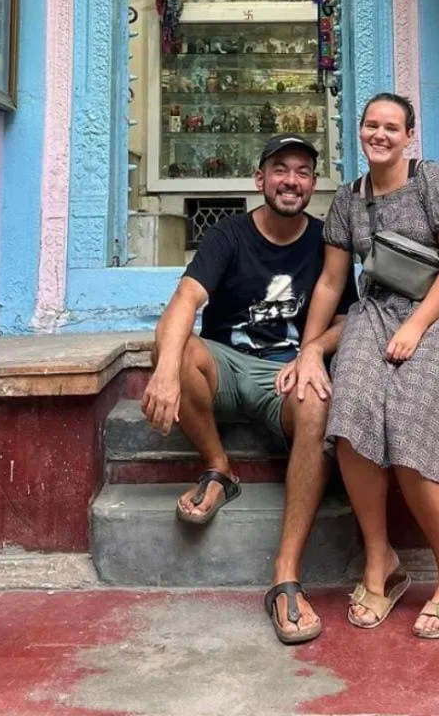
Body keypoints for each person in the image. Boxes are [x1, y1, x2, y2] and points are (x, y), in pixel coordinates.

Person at [281, 93, 439, 639]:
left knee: (410, 411)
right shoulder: (349, 200)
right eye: (371, 125)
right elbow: (331, 282)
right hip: (375, 312)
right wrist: (310, 348)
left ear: (409, 136)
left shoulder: (431, 180)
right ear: (360, 131)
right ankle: (382, 561)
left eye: (391, 127)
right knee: (349, 414)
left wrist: (417, 325)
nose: (380, 134)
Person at [141, 133, 357, 645]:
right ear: (259, 179)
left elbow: (349, 318)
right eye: (280, 169)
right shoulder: (229, 236)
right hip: (227, 365)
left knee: (316, 404)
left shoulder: (328, 241)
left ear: (313, 184)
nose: (291, 180)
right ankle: (219, 467)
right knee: (173, 348)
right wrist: (166, 371)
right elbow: (184, 302)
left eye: (303, 171)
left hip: (286, 373)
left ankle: (285, 574)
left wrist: (312, 352)